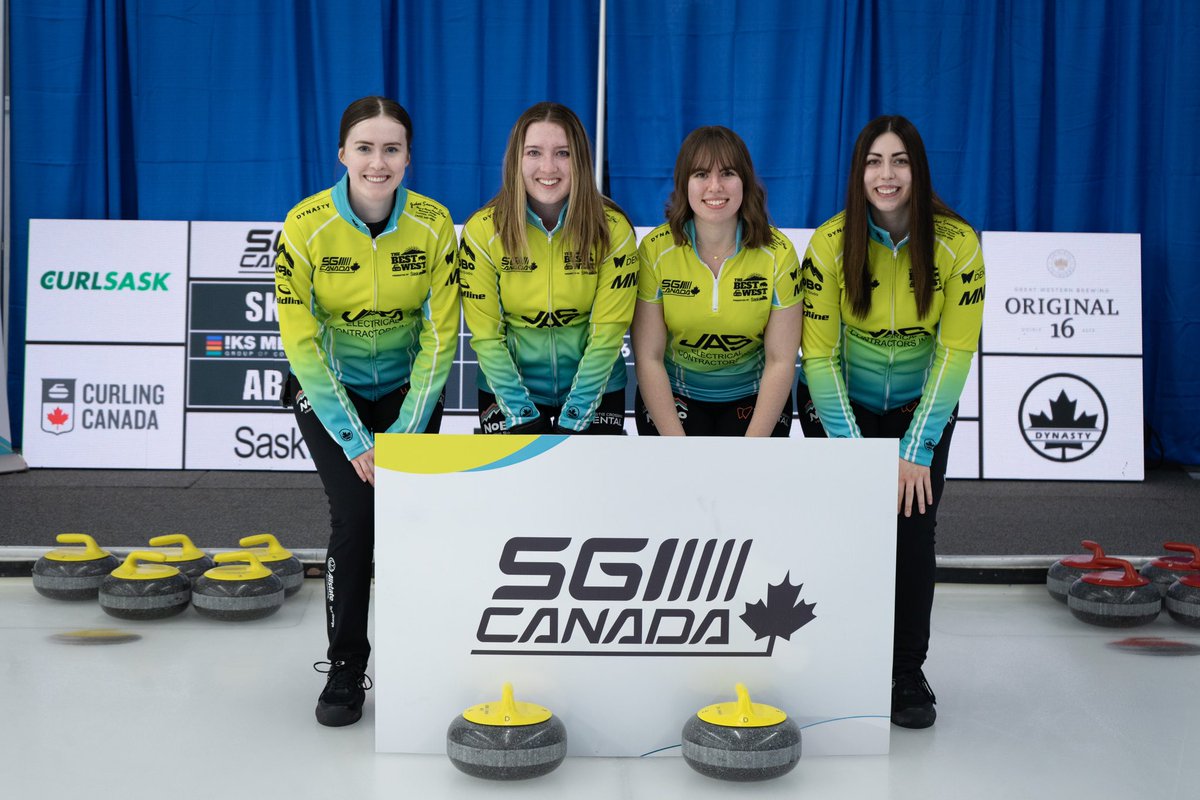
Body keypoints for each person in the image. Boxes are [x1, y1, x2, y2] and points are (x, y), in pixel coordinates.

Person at [275, 96, 459, 727]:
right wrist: (357, 441)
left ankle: (420, 663)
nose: (377, 162)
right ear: (341, 153)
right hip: (333, 396)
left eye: (391, 149)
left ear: (408, 157)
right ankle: (346, 666)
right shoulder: (303, 226)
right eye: (364, 147)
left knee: (411, 519)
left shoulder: (435, 225)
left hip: (407, 395)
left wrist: (403, 435)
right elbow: (300, 342)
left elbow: (441, 337)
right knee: (355, 519)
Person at [798, 115, 985, 728]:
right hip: (840, 405)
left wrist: (917, 446)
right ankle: (840, 660)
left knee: (913, 532)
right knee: (842, 530)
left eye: (899, 161)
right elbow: (819, 355)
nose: (886, 175)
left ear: (917, 169)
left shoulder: (959, 244)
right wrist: (854, 457)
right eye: (875, 162)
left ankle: (905, 671)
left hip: (916, 412)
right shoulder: (829, 244)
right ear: (859, 173)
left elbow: (955, 351)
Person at [459, 102, 638, 434]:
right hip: (508, 391)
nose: (548, 167)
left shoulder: (613, 229)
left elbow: (608, 333)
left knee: (587, 485)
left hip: (596, 391)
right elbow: (486, 338)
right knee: (517, 486)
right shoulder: (483, 231)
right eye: (534, 153)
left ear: (580, 160)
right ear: (517, 160)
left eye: (563, 153)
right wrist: (521, 413)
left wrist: (576, 416)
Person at [632, 126, 802, 436]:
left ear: (745, 182)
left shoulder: (778, 254)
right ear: (684, 183)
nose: (715, 186)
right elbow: (648, 357)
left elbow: (781, 360)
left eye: (727, 173)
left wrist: (750, 450)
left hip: (752, 398)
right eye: (700, 174)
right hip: (675, 397)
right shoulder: (656, 251)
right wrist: (678, 448)